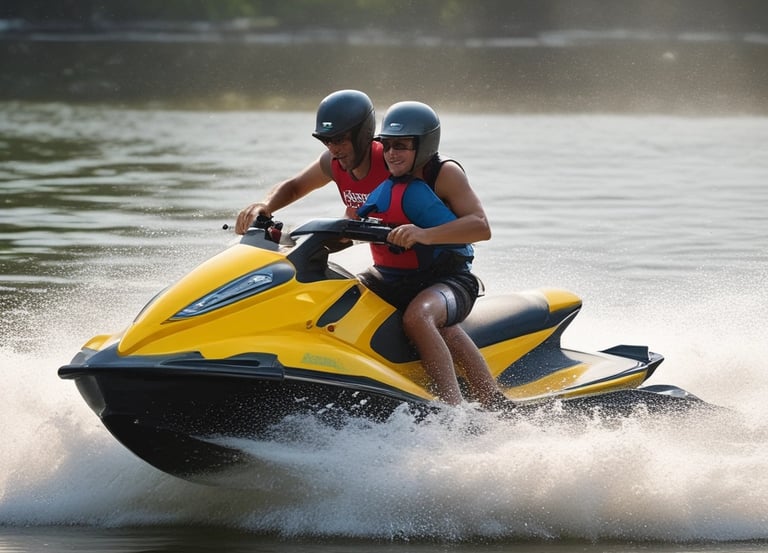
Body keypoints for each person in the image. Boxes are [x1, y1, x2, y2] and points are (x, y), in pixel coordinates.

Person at [357, 101, 511, 410]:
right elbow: (353, 220)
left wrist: (423, 234)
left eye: (401, 146)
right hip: (396, 280)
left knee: (420, 317)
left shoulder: (445, 173)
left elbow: (481, 227)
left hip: (451, 281)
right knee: (341, 289)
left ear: (423, 145)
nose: (391, 153)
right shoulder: (389, 176)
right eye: (387, 145)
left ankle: (453, 412)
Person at [235, 89, 390, 233]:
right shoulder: (331, 162)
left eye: (339, 140)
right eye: (326, 141)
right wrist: (264, 205)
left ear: (363, 134)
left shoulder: (391, 159)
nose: (333, 150)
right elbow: (294, 187)